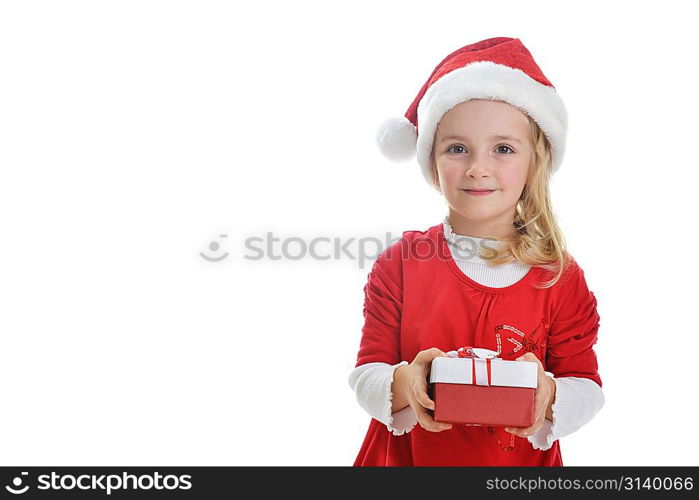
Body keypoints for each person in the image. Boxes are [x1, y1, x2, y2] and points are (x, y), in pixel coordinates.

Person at [348, 37, 605, 466]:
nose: (477, 167)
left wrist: (549, 393)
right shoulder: (401, 264)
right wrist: (407, 381)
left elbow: (587, 385)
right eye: (457, 148)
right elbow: (367, 373)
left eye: (502, 149)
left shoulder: (559, 277)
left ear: (534, 163)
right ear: (431, 161)